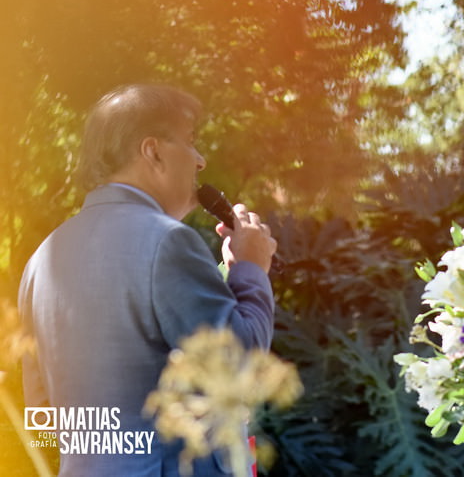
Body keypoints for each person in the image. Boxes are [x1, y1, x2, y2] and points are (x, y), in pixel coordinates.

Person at [18, 84, 277, 476]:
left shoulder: (40, 262)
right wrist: (252, 267)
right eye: (191, 143)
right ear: (153, 151)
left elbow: (41, 414)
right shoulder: (167, 240)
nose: (201, 161)